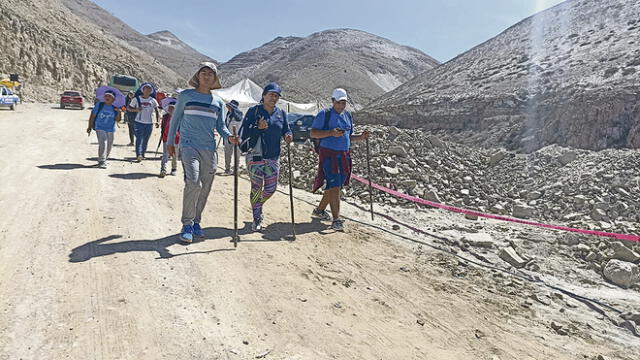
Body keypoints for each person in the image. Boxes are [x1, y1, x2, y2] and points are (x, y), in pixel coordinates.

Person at [166, 62, 239, 243]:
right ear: (198, 76)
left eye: (210, 74)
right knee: (193, 182)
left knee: (205, 187)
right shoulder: (186, 96)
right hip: (189, 145)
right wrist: (170, 143)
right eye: (203, 72)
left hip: (210, 148)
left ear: (215, 79)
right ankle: (187, 224)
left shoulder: (218, 102)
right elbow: (175, 120)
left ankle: (197, 221)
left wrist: (229, 137)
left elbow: (221, 126)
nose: (206, 76)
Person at [310, 88, 369, 231]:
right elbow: (313, 133)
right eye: (339, 102)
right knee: (335, 185)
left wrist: (361, 137)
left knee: (334, 185)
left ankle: (319, 211)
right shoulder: (324, 114)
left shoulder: (347, 116)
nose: (341, 105)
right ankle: (337, 219)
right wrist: (331, 133)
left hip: (344, 155)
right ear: (332, 101)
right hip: (328, 155)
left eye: (344, 103)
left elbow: (348, 137)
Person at [239, 82, 293, 232]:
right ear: (264, 95)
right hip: (254, 156)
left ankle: (257, 205)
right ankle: (257, 217)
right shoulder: (253, 111)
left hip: (273, 157)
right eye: (271, 94)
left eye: (276, 96)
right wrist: (257, 128)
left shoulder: (281, 114)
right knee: (256, 187)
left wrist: (288, 136)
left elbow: (286, 130)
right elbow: (243, 133)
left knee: (270, 189)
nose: (273, 98)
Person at [86, 90, 121, 168]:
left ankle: (104, 158)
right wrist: (89, 126)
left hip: (110, 129)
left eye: (109, 96)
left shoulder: (115, 108)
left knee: (109, 145)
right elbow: (92, 116)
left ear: (113, 99)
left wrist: (119, 112)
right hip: (100, 127)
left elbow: (118, 120)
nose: (107, 97)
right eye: (106, 96)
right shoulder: (100, 105)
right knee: (103, 143)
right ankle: (101, 161)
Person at [127, 83, 160, 162]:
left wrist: (158, 121)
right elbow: (128, 108)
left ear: (151, 91)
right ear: (142, 90)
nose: (147, 90)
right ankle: (139, 155)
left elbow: (157, 111)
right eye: (146, 88)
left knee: (146, 139)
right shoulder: (136, 99)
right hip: (139, 122)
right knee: (139, 138)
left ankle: (143, 154)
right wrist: (136, 110)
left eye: (149, 89)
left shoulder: (153, 100)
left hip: (149, 123)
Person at [159, 98, 179, 178]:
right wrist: (162, 135)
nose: (171, 109)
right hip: (166, 138)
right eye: (170, 108)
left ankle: (174, 169)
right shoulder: (165, 116)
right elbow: (163, 127)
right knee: (165, 154)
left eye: (173, 108)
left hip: (176, 139)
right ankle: (163, 169)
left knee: (174, 155)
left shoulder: (180, 117)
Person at [223, 100, 243, 175]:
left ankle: (236, 170)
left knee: (237, 154)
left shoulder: (239, 115)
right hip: (228, 137)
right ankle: (227, 169)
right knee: (227, 153)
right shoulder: (229, 114)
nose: (227, 107)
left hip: (237, 137)